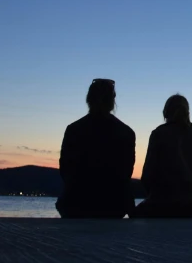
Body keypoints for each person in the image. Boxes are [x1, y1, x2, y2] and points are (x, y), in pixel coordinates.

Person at [56, 78, 136, 218]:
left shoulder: (74, 129)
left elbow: (65, 170)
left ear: (89, 99)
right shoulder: (126, 132)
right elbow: (125, 174)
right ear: (112, 101)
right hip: (113, 206)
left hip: (75, 205)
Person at [130, 94, 192, 218]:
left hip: (165, 203)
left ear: (165, 113)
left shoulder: (158, 134)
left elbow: (147, 175)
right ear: (188, 113)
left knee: (133, 214)